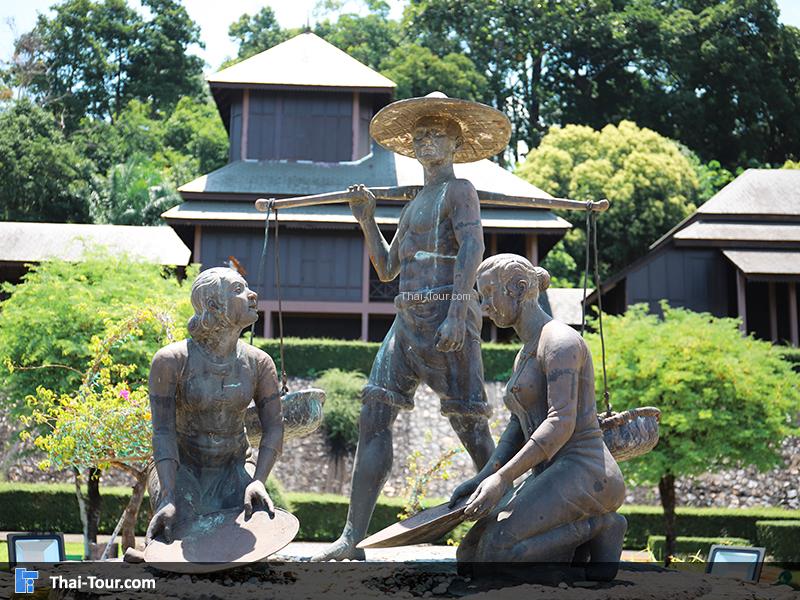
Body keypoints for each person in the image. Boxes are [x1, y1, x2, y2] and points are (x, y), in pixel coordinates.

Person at [312, 93, 511, 561]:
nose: (425, 142)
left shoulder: (459, 191)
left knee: (470, 426)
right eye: (419, 136)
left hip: (447, 312)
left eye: (436, 134)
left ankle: (508, 516)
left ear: (456, 143)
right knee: (374, 417)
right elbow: (386, 268)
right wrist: (365, 219)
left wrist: (461, 311)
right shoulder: (415, 202)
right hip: (406, 321)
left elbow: (471, 250)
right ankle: (351, 537)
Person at [449, 254, 626, 580]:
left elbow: (560, 422)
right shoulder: (526, 350)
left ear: (518, 288)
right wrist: (485, 475)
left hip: (584, 469)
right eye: (481, 297)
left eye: (489, 294)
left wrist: (502, 480)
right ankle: (576, 546)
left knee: (496, 557)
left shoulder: (560, 342)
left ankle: (601, 526)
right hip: (550, 472)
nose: (485, 306)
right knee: (470, 556)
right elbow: (518, 424)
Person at [142, 267, 284, 547]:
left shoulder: (259, 363)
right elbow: (163, 432)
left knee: (252, 542)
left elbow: (275, 426)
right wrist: (168, 494)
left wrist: (258, 480)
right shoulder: (171, 361)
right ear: (212, 305)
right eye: (238, 290)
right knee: (177, 537)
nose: (252, 294)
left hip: (234, 468)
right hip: (182, 470)